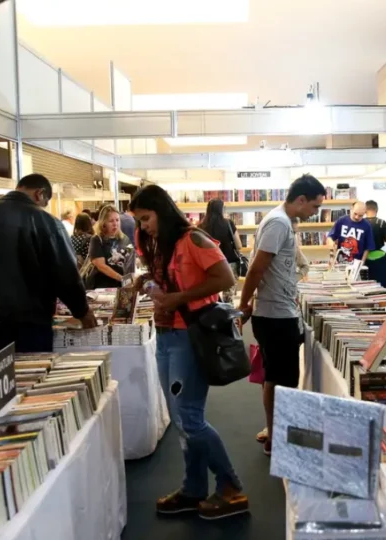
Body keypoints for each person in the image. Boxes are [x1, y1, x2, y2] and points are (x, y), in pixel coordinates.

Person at [129, 184, 247, 520]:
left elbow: (225, 277)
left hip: (189, 336)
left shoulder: (193, 239)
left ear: (162, 212)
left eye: (147, 218)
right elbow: (171, 279)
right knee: (182, 419)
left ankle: (231, 486)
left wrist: (179, 298)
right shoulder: (159, 243)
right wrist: (148, 279)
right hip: (166, 336)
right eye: (139, 221)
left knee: (189, 418)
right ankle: (194, 488)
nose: (143, 226)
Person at [0, 174, 96, 353]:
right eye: (45, 202)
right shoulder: (46, 222)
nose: (43, 207)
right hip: (33, 318)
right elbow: (65, 273)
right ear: (39, 194)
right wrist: (82, 311)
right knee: (34, 367)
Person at [240, 174, 327, 455]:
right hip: (275, 316)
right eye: (315, 206)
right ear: (301, 200)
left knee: (276, 376)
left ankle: (275, 433)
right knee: (281, 380)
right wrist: (243, 303)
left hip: (278, 312)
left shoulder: (282, 221)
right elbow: (257, 268)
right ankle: (277, 440)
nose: (315, 213)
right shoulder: (278, 222)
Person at [199, 199, 243, 301]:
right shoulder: (228, 223)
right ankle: (227, 310)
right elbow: (239, 245)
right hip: (229, 263)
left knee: (210, 296)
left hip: (209, 265)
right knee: (228, 297)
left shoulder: (201, 227)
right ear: (222, 209)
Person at [87, 205, 135, 289]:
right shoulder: (97, 239)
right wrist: (121, 278)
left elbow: (130, 259)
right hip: (102, 287)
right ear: (104, 223)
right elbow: (101, 265)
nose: (115, 224)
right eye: (111, 221)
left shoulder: (125, 239)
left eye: (117, 220)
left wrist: (130, 280)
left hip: (121, 286)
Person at [327, 201, 373, 266]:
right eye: (355, 214)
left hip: (357, 264)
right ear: (351, 209)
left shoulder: (367, 226)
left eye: (360, 216)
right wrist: (332, 256)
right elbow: (330, 237)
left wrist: (362, 263)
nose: (357, 217)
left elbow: (368, 247)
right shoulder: (341, 221)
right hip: (340, 263)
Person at [363, 200, 386, 290]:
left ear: (365, 210)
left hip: (364, 260)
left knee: (367, 287)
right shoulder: (381, 223)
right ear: (377, 210)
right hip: (381, 259)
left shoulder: (361, 223)